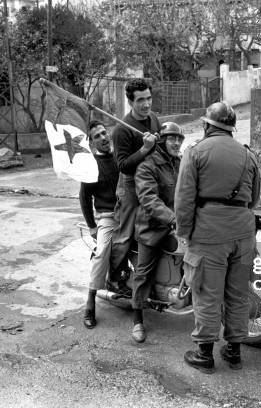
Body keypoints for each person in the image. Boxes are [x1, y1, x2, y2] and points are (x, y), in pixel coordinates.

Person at [175, 101, 260, 373]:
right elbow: (254, 197)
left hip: (210, 234)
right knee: (237, 293)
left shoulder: (195, 152)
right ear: (232, 129)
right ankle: (234, 350)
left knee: (207, 294)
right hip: (243, 234)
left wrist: (184, 234)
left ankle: (204, 354)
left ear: (205, 125)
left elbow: (184, 201)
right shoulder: (248, 156)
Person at [130, 122, 184, 343]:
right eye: (172, 138)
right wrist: (171, 218)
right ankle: (138, 320)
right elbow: (149, 199)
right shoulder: (147, 166)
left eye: (179, 139)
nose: (177, 142)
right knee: (144, 272)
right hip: (152, 227)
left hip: (177, 224)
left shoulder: (180, 163)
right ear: (161, 140)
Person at [110, 79, 161, 284]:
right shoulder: (122, 129)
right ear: (131, 102)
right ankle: (114, 279)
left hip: (151, 180)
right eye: (140, 100)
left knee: (154, 228)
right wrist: (144, 149)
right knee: (124, 237)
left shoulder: (154, 119)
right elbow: (122, 166)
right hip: (130, 185)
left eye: (149, 98)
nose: (146, 104)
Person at [78, 120, 121, 329]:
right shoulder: (91, 165)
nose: (103, 138)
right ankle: (90, 302)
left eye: (104, 133)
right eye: (97, 136)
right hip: (108, 216)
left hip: (130, 214)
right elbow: (84, 198)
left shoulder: (120, 157)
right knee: (102, 252)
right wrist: (92, 226)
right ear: (92, 142)